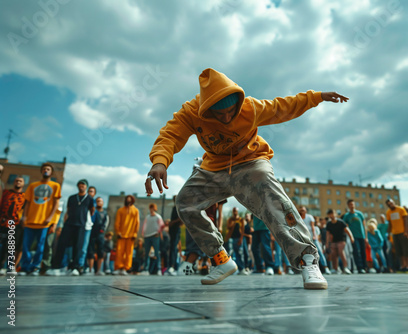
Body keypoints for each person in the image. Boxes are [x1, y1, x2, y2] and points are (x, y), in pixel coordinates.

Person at [145, 68, 347, 289]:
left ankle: (307, 260)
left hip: (251, 162)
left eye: (231, 112)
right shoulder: (191, 112)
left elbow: (282, 107)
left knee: (267, 188)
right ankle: (220, 259)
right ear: (206, 109)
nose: (226, 117)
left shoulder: (250, 107)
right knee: (185, 201)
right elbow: (171, 135)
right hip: (214, 168)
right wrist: (159, 161)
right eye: (219, 114)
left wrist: (316, 97)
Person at [19, 163, 61, 275]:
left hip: (44, 222)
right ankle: (25, 267)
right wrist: (25, 216)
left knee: (40, 247)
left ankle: (35, 267)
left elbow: (56, 204)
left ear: (51, 172)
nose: (46, 170)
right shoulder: (33, 185)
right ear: (41, 171)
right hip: (30, 221)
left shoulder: (55, 186)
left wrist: (51, 219)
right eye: (44, 169)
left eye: (48, 169)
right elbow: (27, 202)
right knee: (26, 246)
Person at [47, 179, 94, 276]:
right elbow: (67, 211)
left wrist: (83, 219)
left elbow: (92, 211)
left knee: (78, 247)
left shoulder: (89, 199)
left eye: (83, 185)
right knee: (61, 244)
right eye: (80, 185)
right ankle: (56, 267)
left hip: (81, 225)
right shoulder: (72, 198)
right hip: (69, 224)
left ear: (86, 187)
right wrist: (64, 222)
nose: (81, 186)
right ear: (77, 186)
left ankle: (75, 268)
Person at [0, 176, 25, 275]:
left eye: (20, 181)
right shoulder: (6, 193)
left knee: (13, 246)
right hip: (4, 222)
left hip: (17, 224)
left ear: (23, 184)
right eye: (16, 181)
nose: (18, 182)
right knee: (3, 246)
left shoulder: (25, 196)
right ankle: (1, 266)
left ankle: (11, 267)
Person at [113, 195, 140, 275]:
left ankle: (125, 268)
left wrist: (135, 233)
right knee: (119, 252)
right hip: (121, 235)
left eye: (130, 199)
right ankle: (118, 267)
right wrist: (118, 232)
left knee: (129, 253)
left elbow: (137, 223)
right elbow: (117, 222)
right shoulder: (120, 210)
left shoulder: (135, 211)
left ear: (132, 200)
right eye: (127, 199)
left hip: (131, 235)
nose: (128, 201)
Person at [298, 206, 330, 274]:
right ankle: (303, 267)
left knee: (319, 252)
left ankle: (325, 267)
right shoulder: (298, 218)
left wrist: (315, 236)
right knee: (302, 254)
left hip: (312, 238)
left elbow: (313, 227)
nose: (302, 211)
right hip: (303, 239)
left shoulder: (309, 217)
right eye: (301, 210)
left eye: (303, 210)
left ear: (306, 211)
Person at [385, 199, 408, 273]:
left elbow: (405, 220)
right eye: (389, 204)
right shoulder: (388, 212)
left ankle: (407, 266)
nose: (391, 205)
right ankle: (402, 266)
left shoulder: (401, 209)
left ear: (394, 202)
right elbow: (390, 224)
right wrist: (388, 233)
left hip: (402, 232)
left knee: (406, 250)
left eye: (391, 203)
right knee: (399, 251)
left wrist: (406, 231)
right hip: (394, 233)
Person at [343, 199, 368, 274]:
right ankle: (360, 268)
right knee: (356, 251)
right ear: (348, 206)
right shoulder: (347, 216)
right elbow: (345, 226)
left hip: (362, 236)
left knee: (363, 252)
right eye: (350, 204)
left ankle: (365, 267)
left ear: (354, 205)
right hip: (354, 237)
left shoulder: (360, 214)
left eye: (353, 204)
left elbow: (364, 225)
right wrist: (349, 236)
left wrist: (366, 237)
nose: (352, 206)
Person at [325, 209, 353, 274]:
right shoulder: (329, 224)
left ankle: (346, 268)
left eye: (332, 213)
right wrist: (327, 243)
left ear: (335, 214)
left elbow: (347, 230)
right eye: (330, 214)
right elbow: (328, 234)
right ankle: (335, 268)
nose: (331, 215)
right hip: (333, 241)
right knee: (333, 254)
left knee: (341, 251)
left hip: (341, 240)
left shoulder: (341, 222)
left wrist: (351, 237)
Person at [87, 197, 109, 275]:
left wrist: (102, 230)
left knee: (100, 251)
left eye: (100, 201)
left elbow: (106, 223)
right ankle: (90, 270)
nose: (99, 202)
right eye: (97, 201)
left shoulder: (105, 213)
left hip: (100, 234)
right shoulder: (93, 211)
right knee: (91, 251)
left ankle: (99, 270)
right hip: (92, 233)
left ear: (103, 203)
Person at [141, 203, 164, 275]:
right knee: (147, 253)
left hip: (155, 235)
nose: (151, 209)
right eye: (150, 208)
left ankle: (158, 269)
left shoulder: (158, 217)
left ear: (155, 208)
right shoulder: (147, 217)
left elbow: (162, 225)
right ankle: (146, 269)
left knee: (156, 253)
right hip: (147, 236)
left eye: (152, 208)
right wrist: (143, 234)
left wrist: (158, 232)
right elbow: (145, 225)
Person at [224, 207, 247, 274]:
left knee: (239, 253)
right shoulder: (230, 219)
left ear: (237, 211)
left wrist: (241, 239)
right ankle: (229, 269)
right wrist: (233, 223)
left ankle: (241, 268)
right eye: (234, 211)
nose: (235, 212)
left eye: (236, 211)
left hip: (238, 238)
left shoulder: (241, 220)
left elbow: (242, 230)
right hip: (231, 238)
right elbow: (228, 227)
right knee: (230, 253)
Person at [80, 185, 97, 270]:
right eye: (89, 191)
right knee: (79, 246)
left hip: (89, 228)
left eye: (92, 191)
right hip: (81, 226)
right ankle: (79, 265)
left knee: (86, 248)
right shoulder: (83, 200)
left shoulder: (93, 204)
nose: (90, 193)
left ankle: (84, 266)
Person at [166, 195, 182, 275]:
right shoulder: (174, 207)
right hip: (172, 230)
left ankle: (173, 267)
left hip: (176, 230)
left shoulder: (179, 208)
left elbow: (181, 219)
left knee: (173, 248)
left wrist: (172, 222)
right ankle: (172, 267)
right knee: (172, 248)